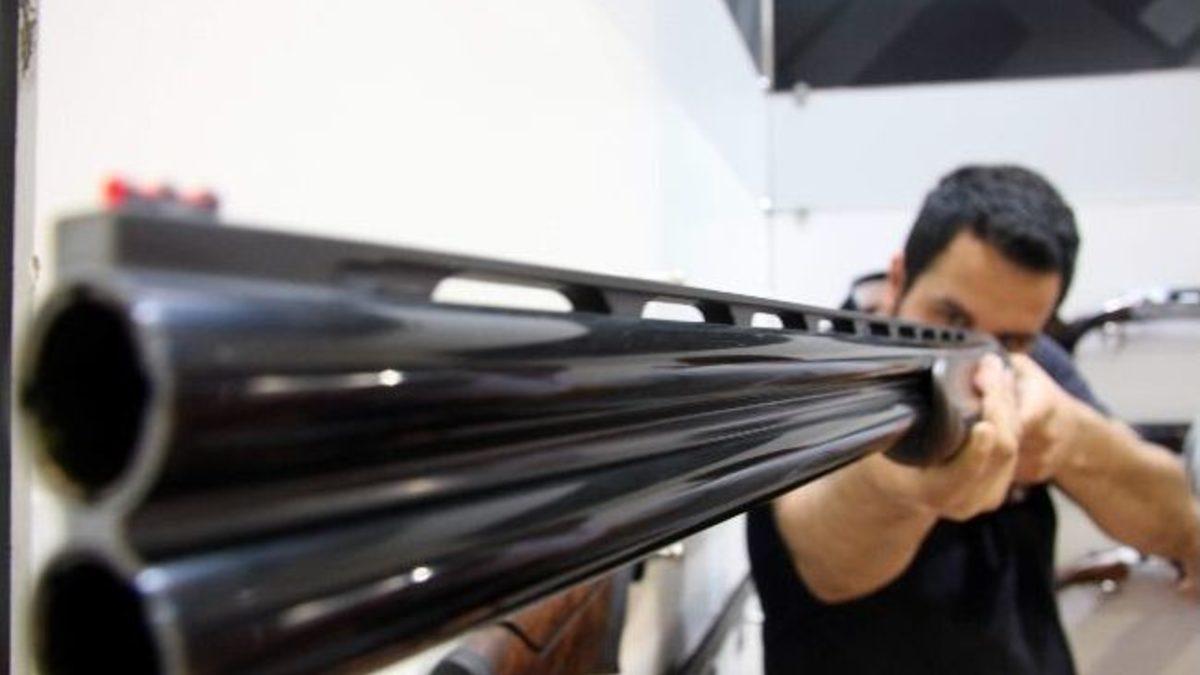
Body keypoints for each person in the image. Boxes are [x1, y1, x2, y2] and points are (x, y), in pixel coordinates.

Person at [746, 165, 1200, 674]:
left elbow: (1181, 523)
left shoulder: (1033, 363)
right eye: (952, 319)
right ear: (898, 279)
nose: (981, 360)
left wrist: (1068, 439)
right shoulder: (817, 365)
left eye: (1010, 339)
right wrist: (908, 487)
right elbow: (827, 566)